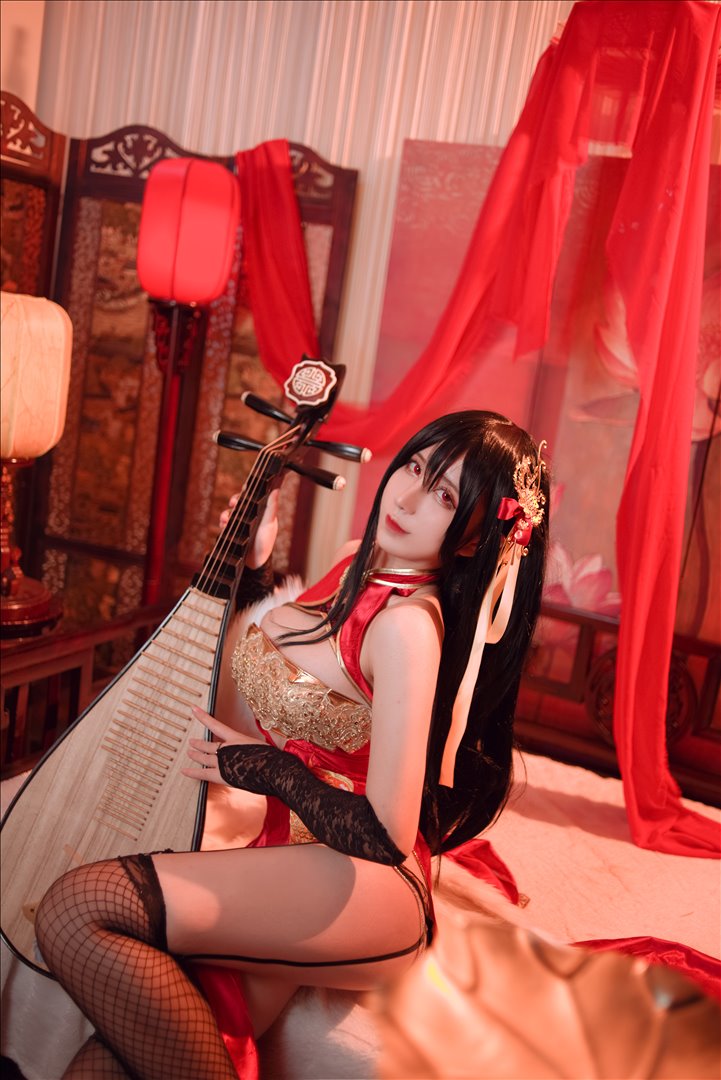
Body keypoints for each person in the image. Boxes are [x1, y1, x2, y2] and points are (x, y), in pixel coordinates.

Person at [34, 409, 549, 1079]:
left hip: (366, 878)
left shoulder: (407, 627)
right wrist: (256, 566)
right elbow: (274, 677)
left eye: (445, 497)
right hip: (293, 851)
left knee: (77, 907)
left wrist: (271, 771)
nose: (407, 498)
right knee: (111, 1060)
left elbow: (387, 835)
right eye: (415, 467)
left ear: (474, 541)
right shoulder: (355, 567)